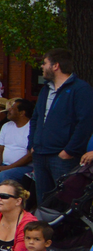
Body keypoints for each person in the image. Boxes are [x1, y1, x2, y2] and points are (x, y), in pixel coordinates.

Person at [32, 50, 93, 205]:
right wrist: (32, 144)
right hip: (40, 153)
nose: (42, 66)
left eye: (44, 63)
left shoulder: (80, 89)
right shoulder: (45, 89)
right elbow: (36, 118)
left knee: (65, 201)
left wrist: (69, 151)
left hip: (62, 156)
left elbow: (85, 123)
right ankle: (44, 230)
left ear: (55, 66)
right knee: (43, 202)